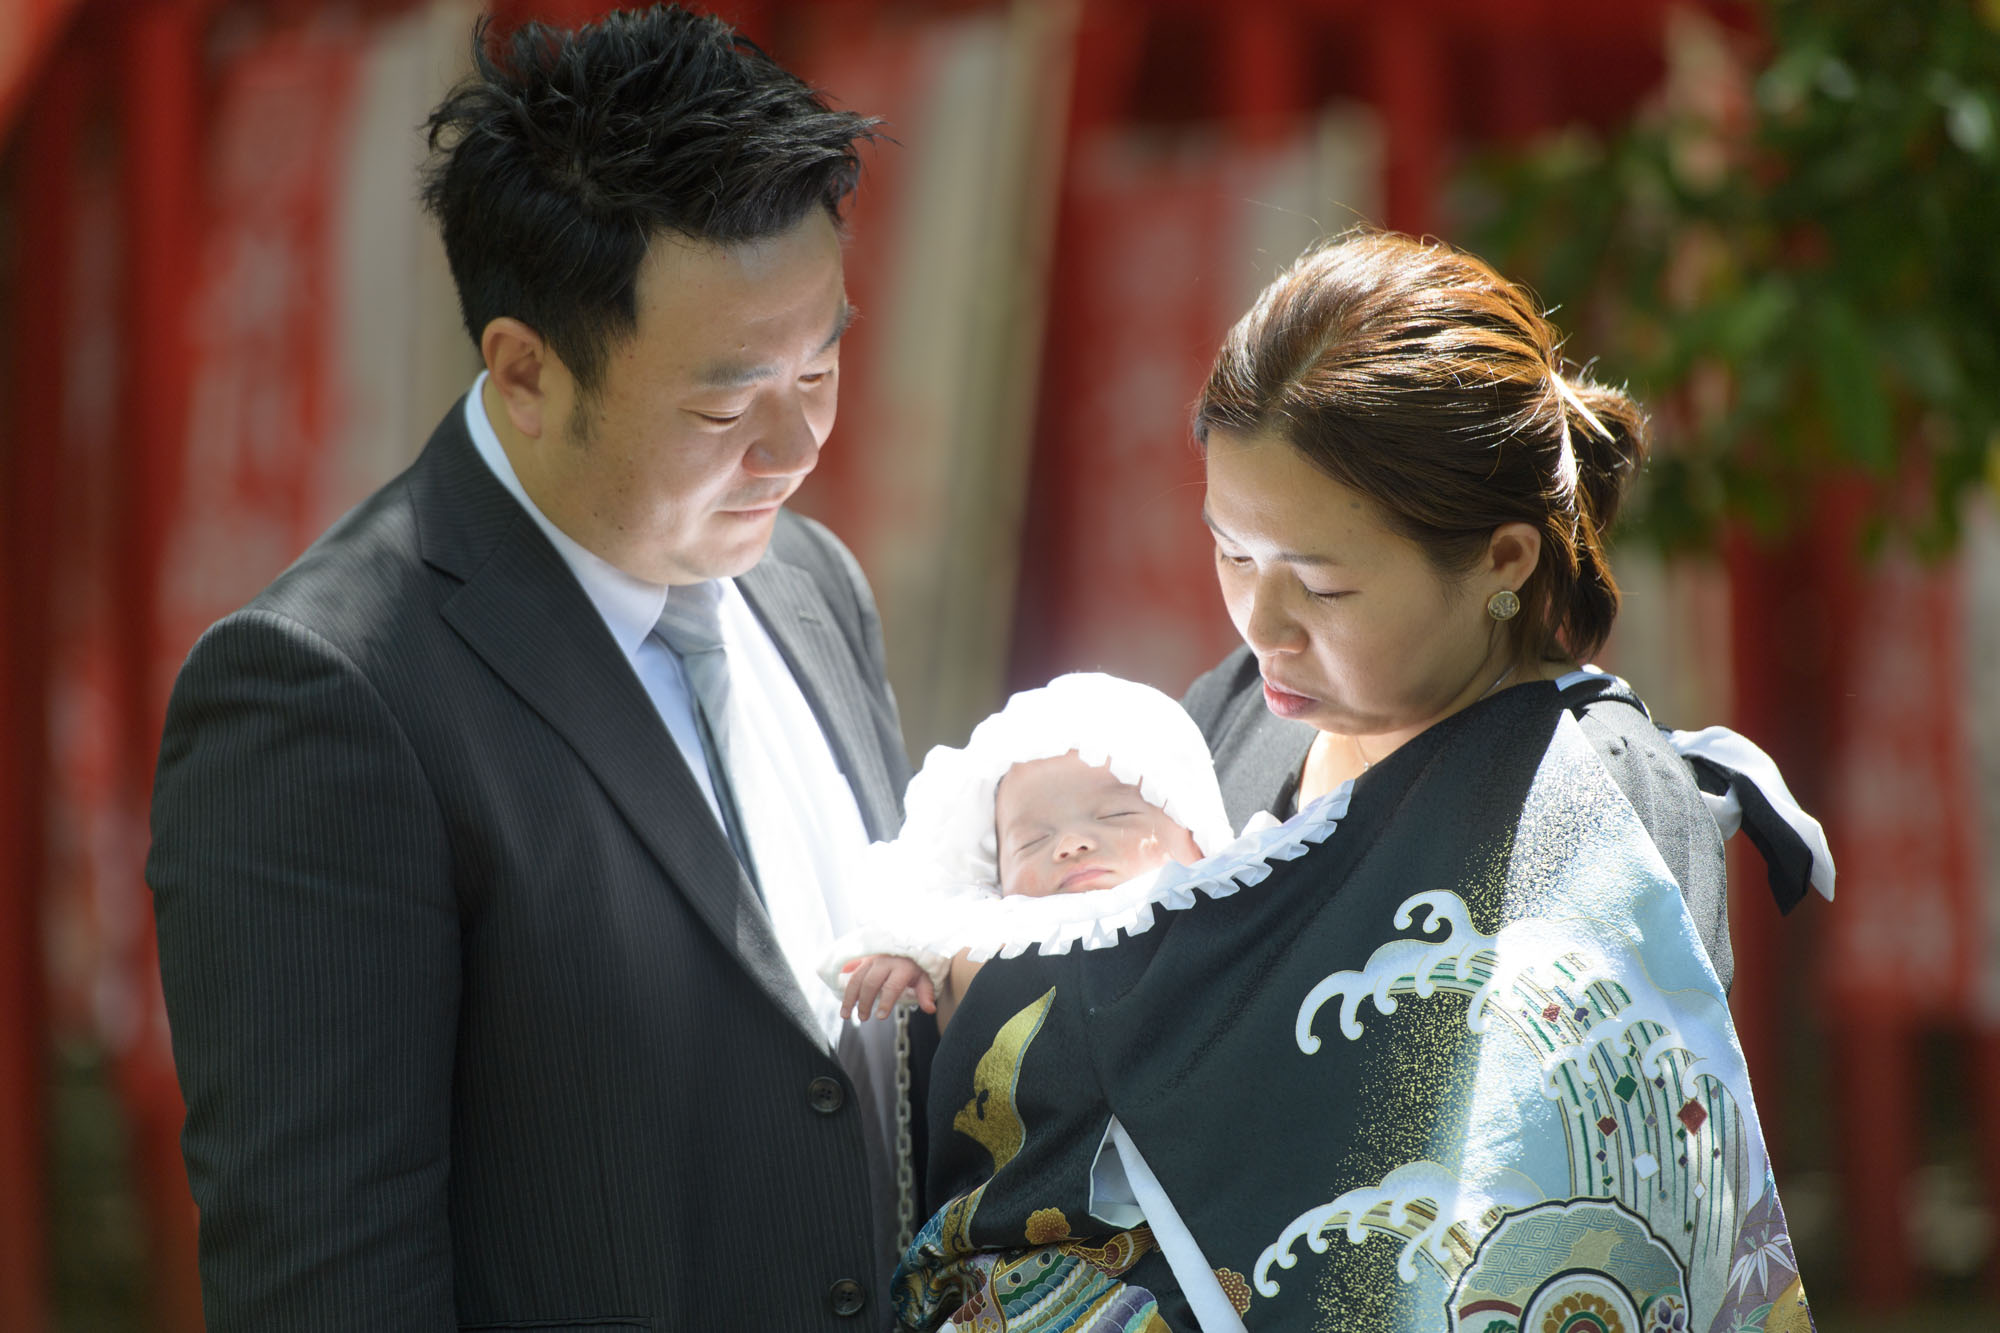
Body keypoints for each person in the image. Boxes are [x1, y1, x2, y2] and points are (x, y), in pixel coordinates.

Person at [893, 230, 1829, 1332]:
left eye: (1320, 587)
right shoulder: (1228, 722)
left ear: (1501, 561)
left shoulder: (1588, 798)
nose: (1262, 624)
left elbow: (1572, 1199)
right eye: (1231, 553)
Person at [146, 8, 921, 1330]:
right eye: (728, 404)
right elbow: (324, 1283)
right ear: (523, 372)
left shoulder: (809, 584)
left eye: (826, 360)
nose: (798, 445)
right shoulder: (324, 694)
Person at [823, 673, 1241, 1031]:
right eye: (1032, 841)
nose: (1070, 844)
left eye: (1114, 815)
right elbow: (940, 918)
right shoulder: (997, 931)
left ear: (1197, 834)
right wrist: (916, 958)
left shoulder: (1224, 913)